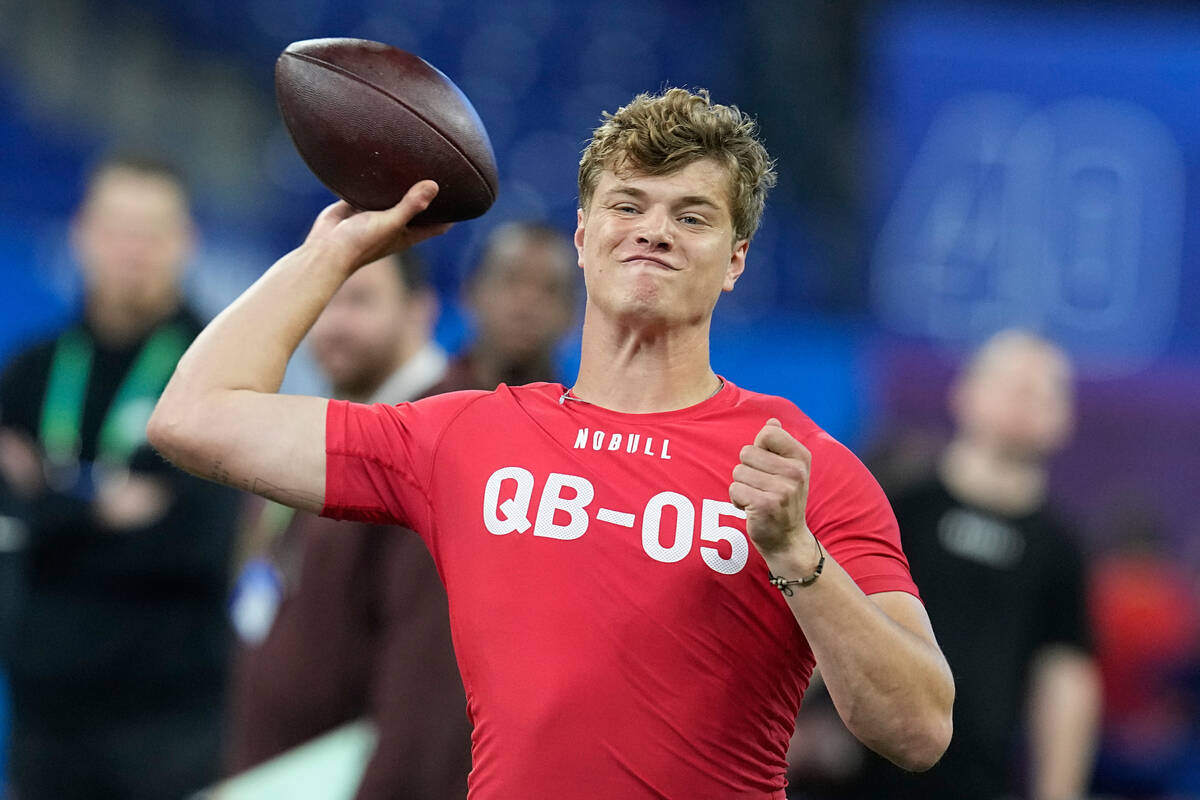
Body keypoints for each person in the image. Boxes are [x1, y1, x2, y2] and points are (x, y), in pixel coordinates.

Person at [148, 88, 954, 798]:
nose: (654, 231)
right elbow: (195, 414)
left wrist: (796, 556)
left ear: (735, 260)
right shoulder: (467, 433)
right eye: (628, 205)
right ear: (582, 238)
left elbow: (918, 730)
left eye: (693, 215)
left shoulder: (799, 471)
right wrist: (334, 252)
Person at [224, 228, 572, 797]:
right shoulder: (317, 426)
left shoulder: (450, 446)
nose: (525, 302)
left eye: (360, 300)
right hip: (278, 771)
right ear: (472, 294)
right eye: (326, 300)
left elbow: (429, 678)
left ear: (424, 309)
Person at [0, 154, 238, 800]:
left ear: (186, 242)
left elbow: (193, 545)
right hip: (44, 716)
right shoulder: (29, 372)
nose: (132, 250)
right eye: (116, 228)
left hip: (168, 724)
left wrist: (47, 502)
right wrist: (109, 509)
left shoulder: (218, 376)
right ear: (80, 233)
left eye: (152, 231)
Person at [857, 330, 1102, 800]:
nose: (1022, 400)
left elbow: (1065, 680)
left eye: (1040, 391)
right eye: (1009, 383)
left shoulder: (1060, 549)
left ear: (1065, 418)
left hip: (977, 781)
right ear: (964, 392)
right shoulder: (897, 508)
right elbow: (830, 616)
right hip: (860, 773)